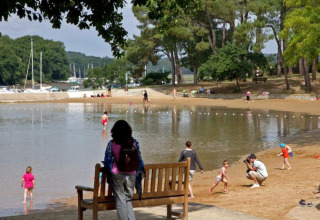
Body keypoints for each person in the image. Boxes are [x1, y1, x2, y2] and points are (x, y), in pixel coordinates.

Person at [104, 120, 145, 220]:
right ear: (128, 131)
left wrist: (108, 173)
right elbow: (139, 159)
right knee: (128, 200)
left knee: (120, 201)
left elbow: (107, 160)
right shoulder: (134, 143)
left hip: (117, 174)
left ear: (114, 131)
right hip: (131, 174)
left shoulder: (112, 143)